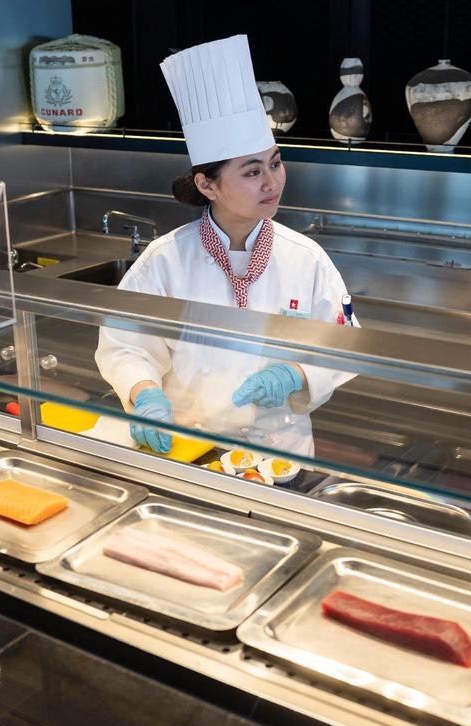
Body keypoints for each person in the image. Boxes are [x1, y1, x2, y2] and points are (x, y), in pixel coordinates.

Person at [95, 35, 356, 458]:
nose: (272, 182)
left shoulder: (305, 260)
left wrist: (297, 373)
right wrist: (145, 396)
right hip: (184, 444)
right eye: (252, 172)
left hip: (276, 456)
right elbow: (125, 344)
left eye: (275, 162)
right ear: (207, 184)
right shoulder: (164, 260)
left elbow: (344, 345)